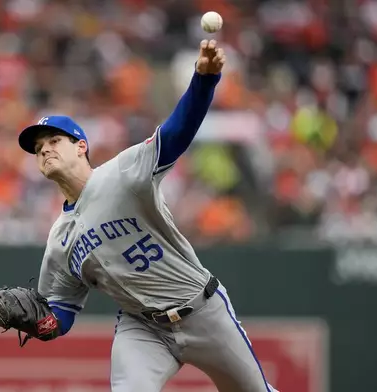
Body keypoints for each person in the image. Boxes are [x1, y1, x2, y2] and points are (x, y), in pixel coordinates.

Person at [17, 39, 276, 392]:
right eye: (37, 148)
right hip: (142, 327)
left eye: (53, 140)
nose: (44, 148)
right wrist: (41, 326)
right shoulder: (59, 238)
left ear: (81, 146)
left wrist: (204, 81)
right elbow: (60, 311)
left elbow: (176, 133)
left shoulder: (123, 173)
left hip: (201, 310)